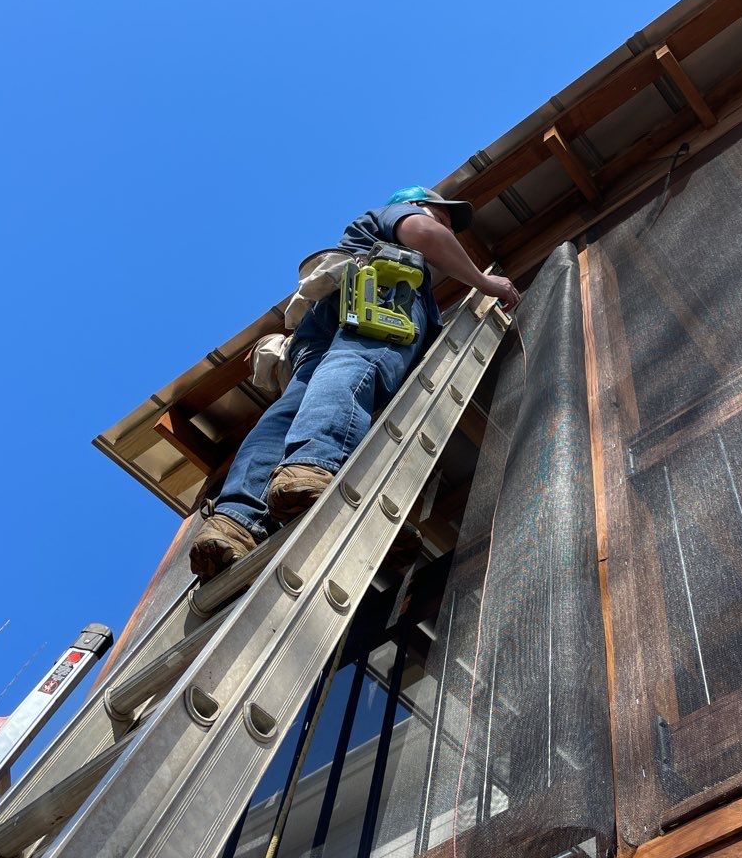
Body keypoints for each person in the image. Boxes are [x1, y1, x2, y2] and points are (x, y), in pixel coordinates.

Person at [189, 188, 521, 581]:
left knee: (292, 406)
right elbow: (423, 233)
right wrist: (484, 282)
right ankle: (311, 466)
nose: (447, 225)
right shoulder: (398, 216)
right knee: (359, 362)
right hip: (381, 288)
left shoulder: (357, 243)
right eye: (442, 214)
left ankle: (235, 520)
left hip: (327, 317)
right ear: (414, 204)